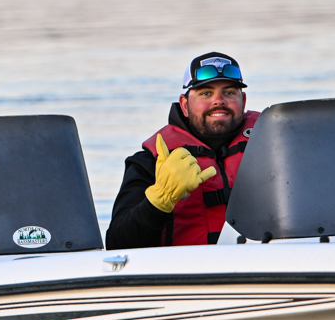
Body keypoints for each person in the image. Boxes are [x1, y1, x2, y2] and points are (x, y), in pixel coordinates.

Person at [105, 52, 260, 249]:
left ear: (243, 101)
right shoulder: (150, 161)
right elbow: (116, 244)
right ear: (185, 105)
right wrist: (158, 202)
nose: (219, 101)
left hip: (263, 262)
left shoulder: (272, 148)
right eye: (206, 93)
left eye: (229, 92)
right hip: (185, 266)